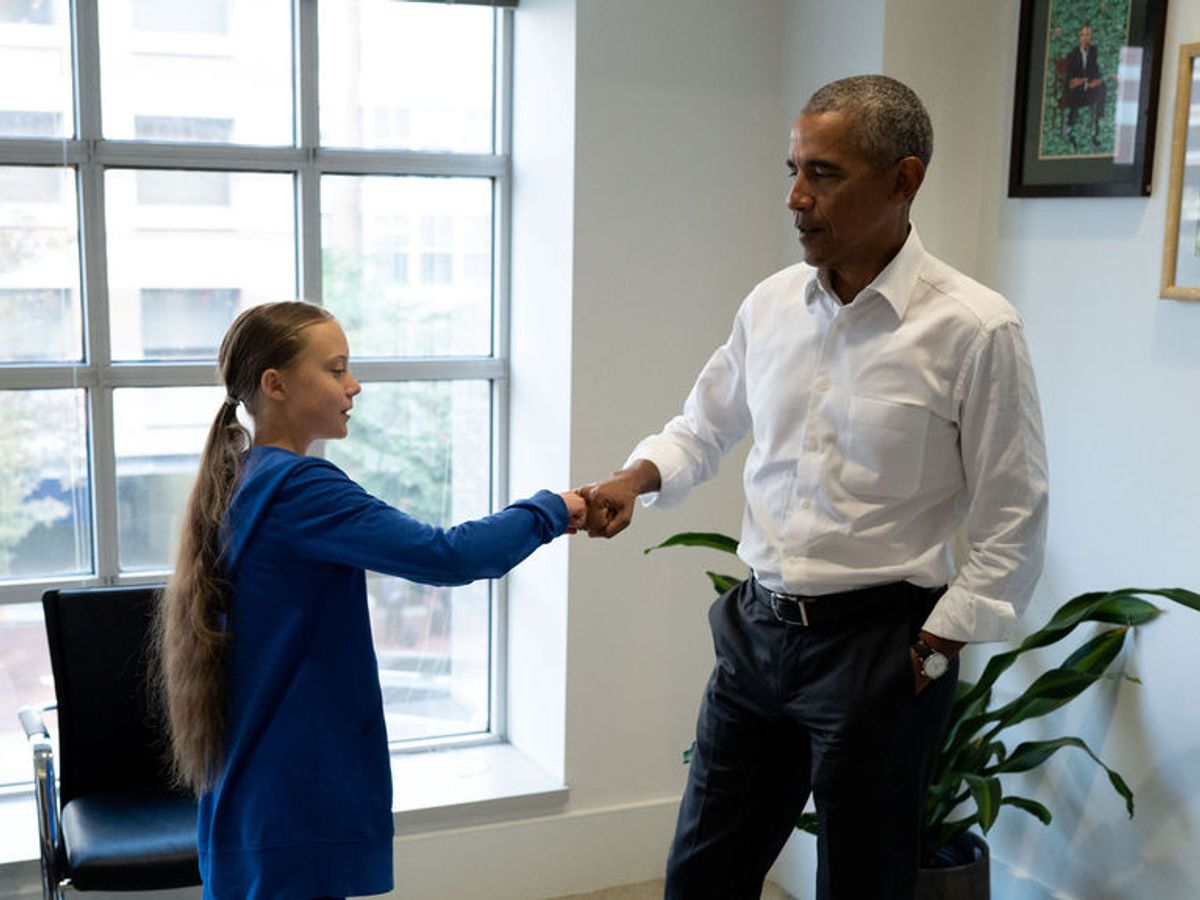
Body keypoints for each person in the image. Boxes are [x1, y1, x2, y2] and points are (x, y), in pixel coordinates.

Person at [580, 75, 1048, 900]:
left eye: (824, 174)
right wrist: (636, 476)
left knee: (862, 883)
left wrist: (937, 647)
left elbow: (1014, 513)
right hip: (757, 636)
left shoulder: (974, 329)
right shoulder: (769, 308)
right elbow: (704, 424)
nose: (796, 197)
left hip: (883, 650)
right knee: (702, 876)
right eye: (792, 170)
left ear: (904, 181)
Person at [154, 300, 585, 900]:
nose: (353, 385)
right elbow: (448, 556)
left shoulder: (245, 476)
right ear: (274, 384)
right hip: (290, 794)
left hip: (257, 792)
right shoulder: (299, 488)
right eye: (335, 370)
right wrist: (555, 509)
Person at [1062, 23, 1107, 148]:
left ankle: (1098, 124)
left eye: (1088, 35)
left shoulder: (1094, 52)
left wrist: (1097, 81)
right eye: (1083, 35)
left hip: (1089, 90)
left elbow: (1096, 72)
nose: (1086, 38)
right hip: (1076, 90)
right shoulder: (1072, 55)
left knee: (1102, 86)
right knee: (1074, 89)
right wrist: (1084, 81)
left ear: (1091, 36)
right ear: (1079, 36)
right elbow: (1071, 81)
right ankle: (1070, 127)